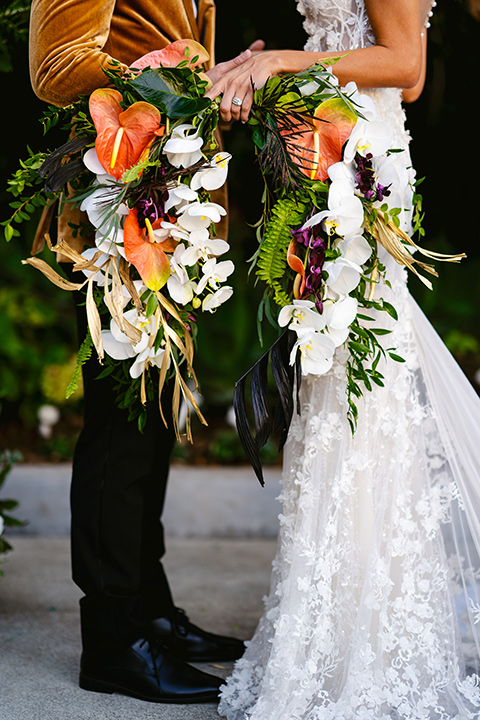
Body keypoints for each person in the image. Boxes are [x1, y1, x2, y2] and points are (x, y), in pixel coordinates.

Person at [203, 1, 480, 718]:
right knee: (335, 385)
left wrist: (288, 62)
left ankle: (370, 638)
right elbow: (372, 56)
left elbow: (406, 67)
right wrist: (255, 74)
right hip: (331, 144)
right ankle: (335, 626)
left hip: (363, 166)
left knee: (359, 382)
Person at [28, 0, 261, 705]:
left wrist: (214, 89)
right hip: (115, 208)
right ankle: (112, 639)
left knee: (150, 420)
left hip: (169, 210)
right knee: (119, 427)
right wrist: (182, 76)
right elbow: (56, 66)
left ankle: (149, 610)